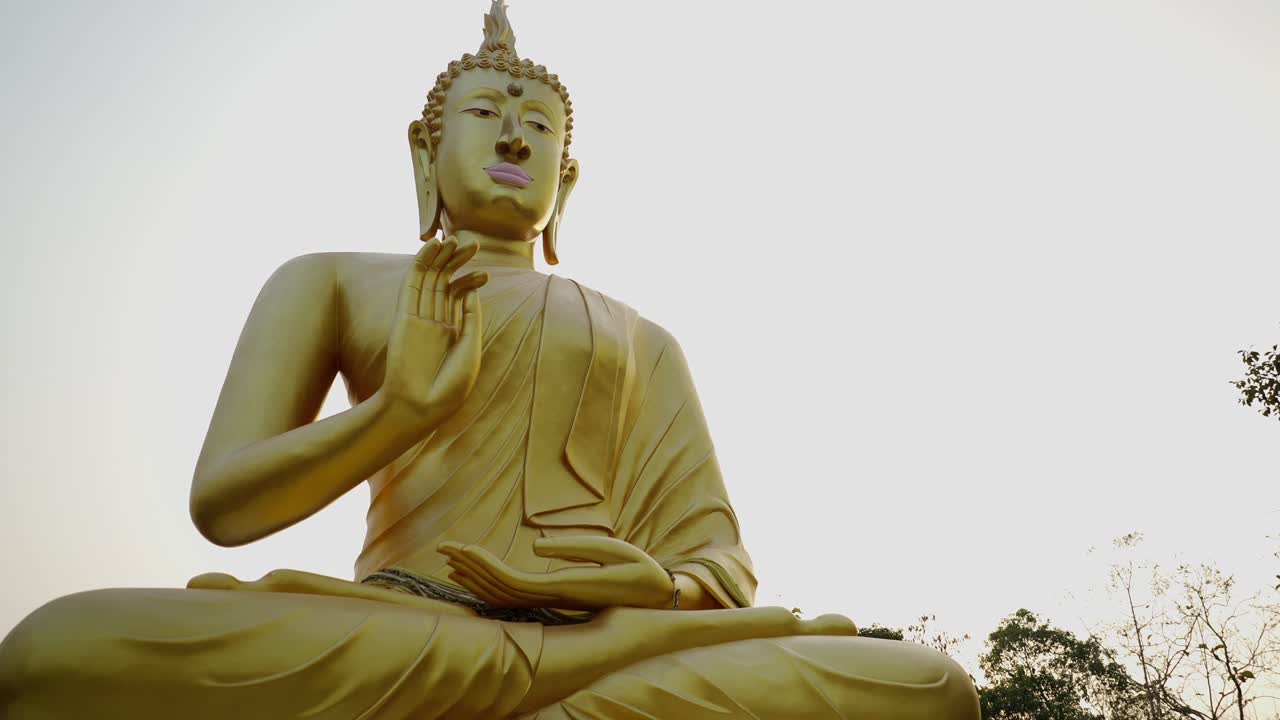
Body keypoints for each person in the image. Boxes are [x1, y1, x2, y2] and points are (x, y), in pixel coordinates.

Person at [0, 3, 980, 718]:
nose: (514, 131)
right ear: (424, 154)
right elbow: (225, 504)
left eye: (539, 125)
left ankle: (560, 692)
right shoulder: (331, 279)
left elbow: (720, 562)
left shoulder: (641, 337)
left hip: (611, 636)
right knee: (56, 650)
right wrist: (399, 414)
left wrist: (654, 588)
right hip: (402, 632)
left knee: (927, 688)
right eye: (483, 114)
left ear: (569, 175)